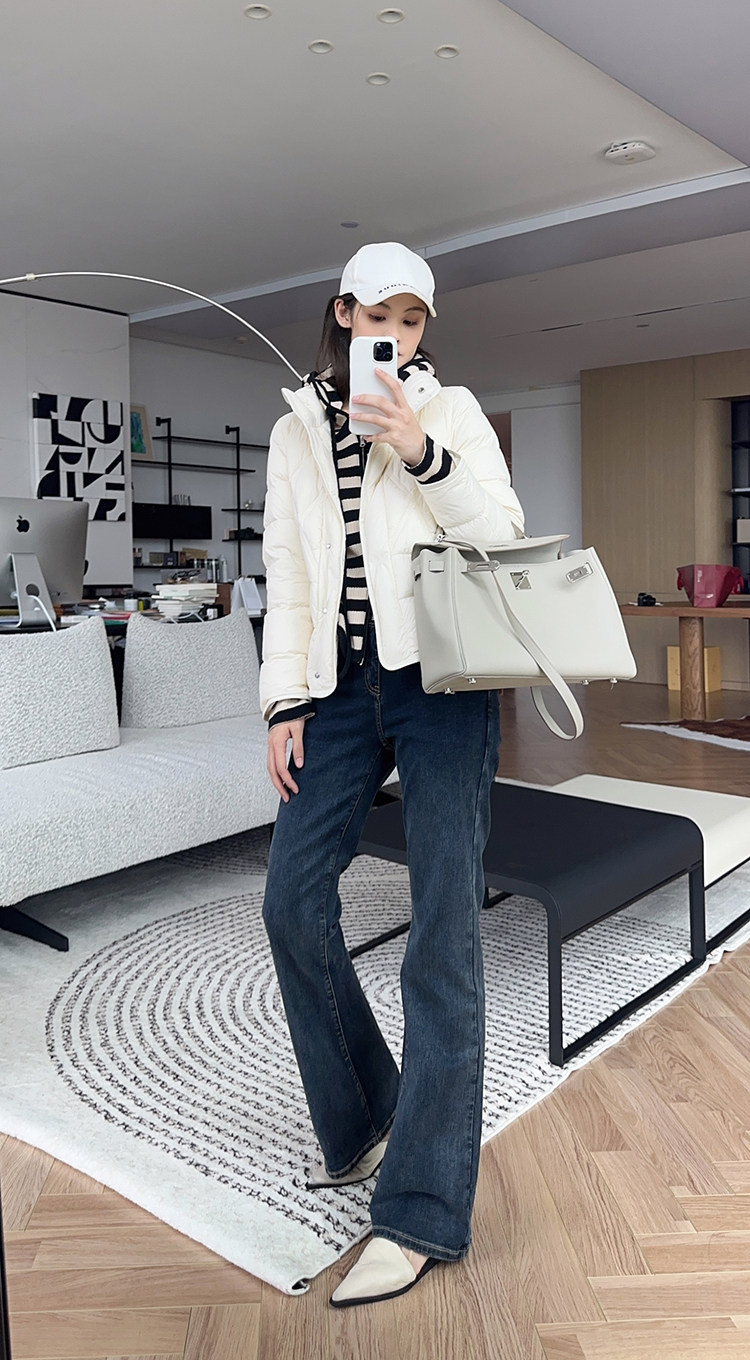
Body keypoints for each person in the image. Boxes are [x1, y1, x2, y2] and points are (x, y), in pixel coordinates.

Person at [260, 241, 524, 1308]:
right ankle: (368, 1116)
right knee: (291, 901)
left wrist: (419, 450)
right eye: (379, 316)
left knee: (443, 934)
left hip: (442, 684)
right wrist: (283, 700)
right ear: (342, 312)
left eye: (412, 321)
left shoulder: (448, 410)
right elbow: (288, 572)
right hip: (335, 690)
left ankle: (419, 1211)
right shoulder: (293, 431)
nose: (397, 337)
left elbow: (501, 532)